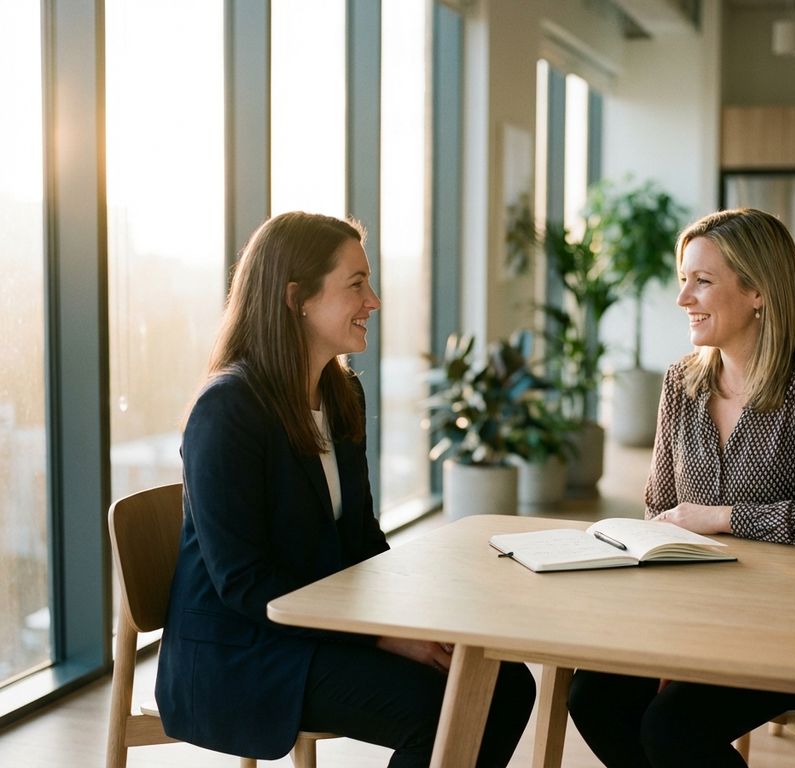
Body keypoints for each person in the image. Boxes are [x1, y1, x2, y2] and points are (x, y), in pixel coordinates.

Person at [155, 211, 535, 766]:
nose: (374, 301)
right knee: (440, 706)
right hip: (243, 652)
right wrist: (380, 639)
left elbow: (360, 541)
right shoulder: (228, 410)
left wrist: (417, 621)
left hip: (313, 629)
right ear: (296, 298)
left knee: (505, 684)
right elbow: (243, 583)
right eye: (356, 284)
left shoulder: (340, 393)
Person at [567, 207, 795, 767]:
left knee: (671, 729)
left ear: (758, 291)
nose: (684, 299)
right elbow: (662, 507)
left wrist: (722, 517)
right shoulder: (682, 381)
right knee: (593, 698)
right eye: (684, 280)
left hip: (794, 624)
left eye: (702, 282)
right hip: (694, 614)